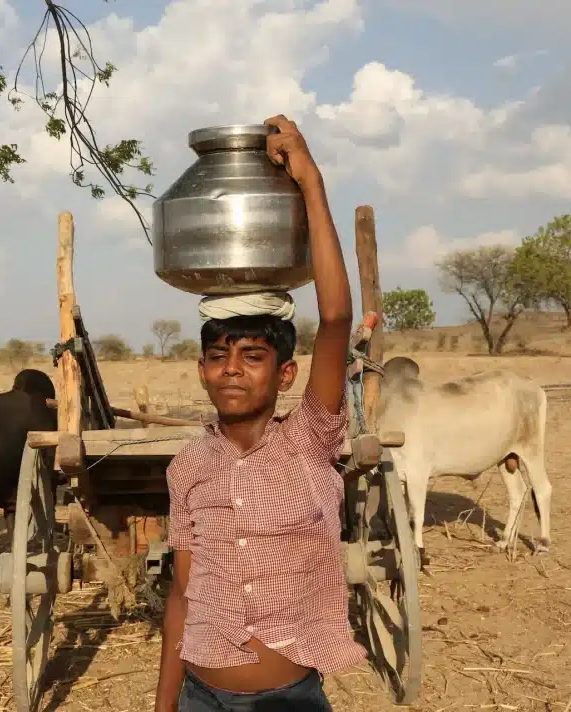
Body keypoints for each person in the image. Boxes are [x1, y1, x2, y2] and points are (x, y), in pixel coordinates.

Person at [154, 114, 366, 712]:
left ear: (285, 374)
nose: (231, 369)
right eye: (218, 355)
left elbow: (334, 320)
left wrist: (310, 182)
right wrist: (164, 708)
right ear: (201, 370)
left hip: (284, 701)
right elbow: (181, 596)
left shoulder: (308, 440)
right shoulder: (189, 467)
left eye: (252, 356)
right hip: (198, 695)